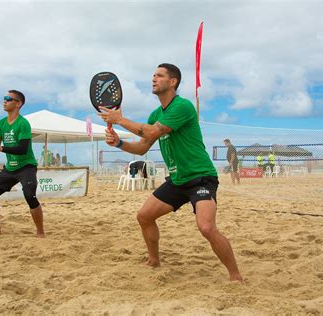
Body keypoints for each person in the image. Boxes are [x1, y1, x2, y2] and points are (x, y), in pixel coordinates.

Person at [99, 63, 242, 282]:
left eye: (159, 75)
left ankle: (235, 275)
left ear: (173, 81)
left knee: (206, 227)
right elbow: (142, 147)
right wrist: (119, 144)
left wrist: (119, 120)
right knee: (144, 216)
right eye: (153, 75)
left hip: (200, 177)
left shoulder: (182, 106)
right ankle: (154, 260)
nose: (153, 78)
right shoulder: (155, 113)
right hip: (177, 180)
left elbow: (155, 131)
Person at [0, 90, 45, 237]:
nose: (4, 101)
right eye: (4, 98)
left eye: (8, 99)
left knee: (30, 196)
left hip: (27, 166)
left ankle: (40, 232)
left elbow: (23, 149)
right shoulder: (0, 124)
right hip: (10, 168)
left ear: (18, 103)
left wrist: (1, 148)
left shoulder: (23, 124)